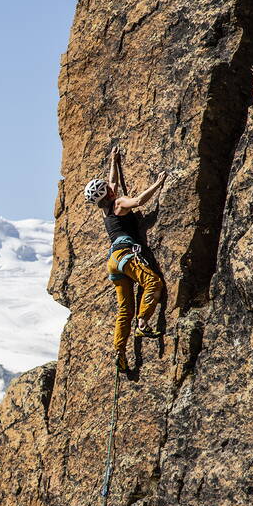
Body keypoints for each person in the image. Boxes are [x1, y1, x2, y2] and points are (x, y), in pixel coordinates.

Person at [84, 146, 166, 372]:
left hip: (113, 261)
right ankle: (142, 323)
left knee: (124, 309)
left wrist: (114, 161)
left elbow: (112, 183)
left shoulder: (105, 210)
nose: (112, 189)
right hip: (126, 254)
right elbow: (139, 201)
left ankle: (119, 351)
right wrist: (157, 184)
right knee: (153, 283)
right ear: (108, 194)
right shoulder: (119, 204)